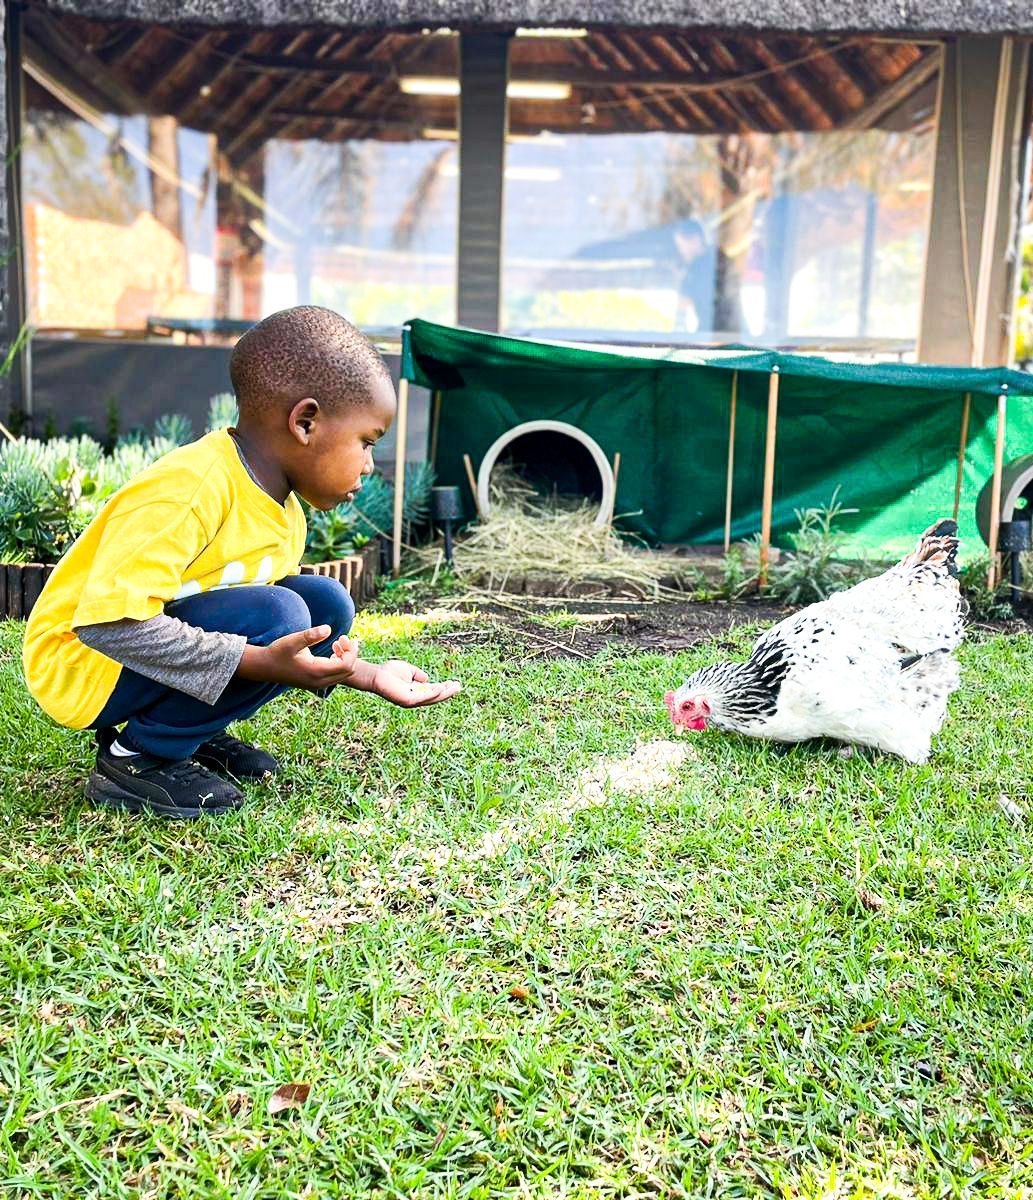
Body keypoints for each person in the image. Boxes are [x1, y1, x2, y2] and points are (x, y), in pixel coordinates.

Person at [23, 306, 461, 819]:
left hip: (134, 656)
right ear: (305, 422)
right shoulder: (191, 490)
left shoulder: (285, 511)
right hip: (80, 663)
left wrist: (366, 674)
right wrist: (255, 661)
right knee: (282, 617)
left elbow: (256, 626)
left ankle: (188, 732)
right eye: (366, 441)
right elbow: (107, 624)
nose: (368, 463)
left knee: (323, 606)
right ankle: (137, 760)